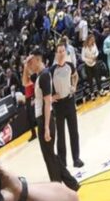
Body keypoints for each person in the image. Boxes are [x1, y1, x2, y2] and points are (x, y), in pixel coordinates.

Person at [22, 48, 79, 191]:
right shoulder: (39, 76)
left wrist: (46, 127)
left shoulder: (45, 76)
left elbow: (48, 103)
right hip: (42, 120)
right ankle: (70, 184)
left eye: (31, 62)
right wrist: (24, 66)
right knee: (50, 156)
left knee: (50, 157)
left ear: (38, 60)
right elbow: (25, 82)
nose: (30, 65)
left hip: (45, 120)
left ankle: (59, 187)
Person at [51, 45, 84, 169]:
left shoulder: (70, 65)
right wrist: (53, 97)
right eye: (59, 51)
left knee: (73, 131)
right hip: (58, 106)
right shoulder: (52, 70)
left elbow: (76, 76)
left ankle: (76, 159)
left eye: (63, 51)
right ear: (56, 54)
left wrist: (74, 86)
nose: (61, 53)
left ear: (65, 52)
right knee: (61, 134)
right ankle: (62, 162)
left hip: (70, 102)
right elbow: (46, 89)